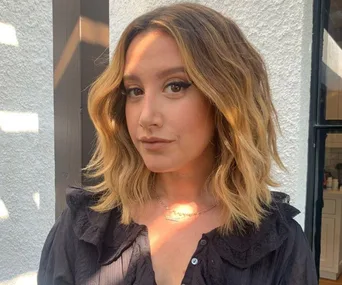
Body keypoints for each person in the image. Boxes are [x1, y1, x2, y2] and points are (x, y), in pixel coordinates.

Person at [38, 2, 318, 285]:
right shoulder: (82, 230)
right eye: (134, 91)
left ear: (225, 97)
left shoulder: (277, 245)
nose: (146, 117)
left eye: (175, 86)